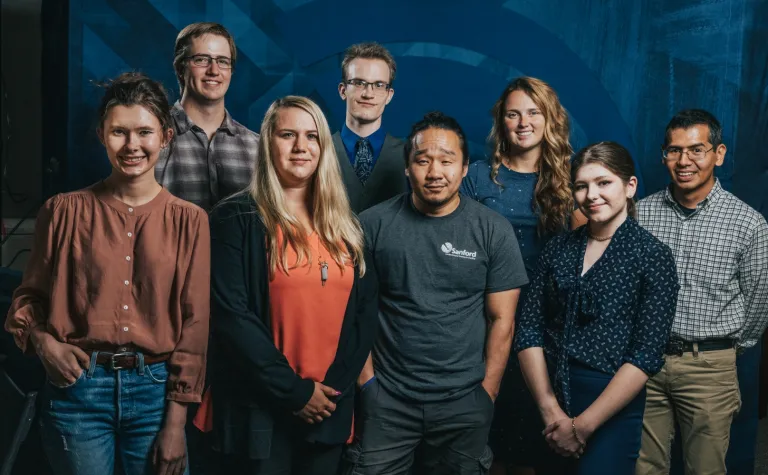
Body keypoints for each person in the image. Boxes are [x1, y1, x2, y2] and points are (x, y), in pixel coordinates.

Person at [4, 72, 210, 475]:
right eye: (119, 132)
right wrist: (44, 344)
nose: (132, 146)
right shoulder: (62, 212)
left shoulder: (191, 221)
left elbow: (195, 326)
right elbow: (28, 299)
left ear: (165, 137)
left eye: (144, 132)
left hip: (157, 394)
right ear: (101, 134)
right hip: (77, 390)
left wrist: (176, 422)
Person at [344, 111, 529, 474]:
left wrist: (486, 394)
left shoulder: (493, 230)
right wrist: (368, 386)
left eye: (447, 160)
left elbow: (502, 319)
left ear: (464, 169)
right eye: (423, 160)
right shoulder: (371, 226)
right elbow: (353, 312)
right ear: (407, 167)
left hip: (464, 401)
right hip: (388, 400)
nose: (434, 172)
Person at [205, 96, 379, 474]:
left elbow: (364, 317)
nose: (301, 147)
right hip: (261, 410)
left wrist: (330, 391)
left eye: (312, 136)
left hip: (329, 407)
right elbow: (233, 318)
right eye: (288, 135)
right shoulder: (235, 218)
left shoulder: (348, 226)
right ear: (268, 143)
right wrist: (297, 392)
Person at [515, 141, 679, 475]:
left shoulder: (653, 257)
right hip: (550, 395)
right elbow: (529, 328)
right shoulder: (558, 248)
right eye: (581, 185)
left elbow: (646, 355)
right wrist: (549, 409)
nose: (592, 195)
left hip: (610, 402)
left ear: (630, 186)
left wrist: (583, 426)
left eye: (603, 182)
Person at [635, 109, 768, 475]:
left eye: (696, 150)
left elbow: (759, 300)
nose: (684, 161)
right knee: (643, 467)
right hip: (646, 364)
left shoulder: (749, 223)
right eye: (674, 151)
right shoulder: (640, 215)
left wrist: (726, 352)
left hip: (710, 365)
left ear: (718, 154)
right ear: (664, 155)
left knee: (705, 469)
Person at [460, 77, 577, 475]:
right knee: (484, 442)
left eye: (533, 112)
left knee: (535, 446)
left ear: (550, 119)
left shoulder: (572, 182)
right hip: (484, 323)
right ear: (501, 121)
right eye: (513, 113)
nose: (523, 122)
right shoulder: (476, 178)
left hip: (546, 329)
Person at [155, 22, 260, 211]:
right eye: (202, 60)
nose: (214, 70)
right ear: (180, 68)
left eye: (222, 61)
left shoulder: (258, 148)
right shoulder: (152, 137)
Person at [333, 42, 407, 213]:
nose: (368, 93)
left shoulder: (409, 156)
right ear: (343, 90)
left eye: (379, 85)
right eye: (359, 83)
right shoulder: (317, 152)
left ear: (389, 95)